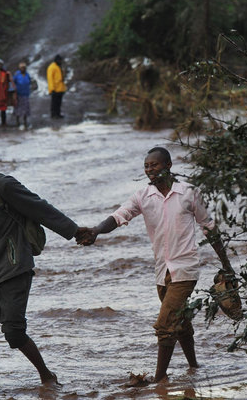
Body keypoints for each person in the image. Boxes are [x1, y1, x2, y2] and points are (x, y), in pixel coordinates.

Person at [80, 147, 237, 383]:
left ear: (168, 165)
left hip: (185, 269)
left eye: (154, 165)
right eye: (146, 166)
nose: (149, 170)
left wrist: (227, 265)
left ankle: (159, 380)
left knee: (165, 325)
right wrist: (96, 231)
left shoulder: (189, 193)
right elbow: (119, 215)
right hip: (161, 272)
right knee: (180, 322)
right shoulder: (143, 196)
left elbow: (209, 228)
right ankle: (194, 368)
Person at [0, 140, 93, 388]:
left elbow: (39, 208)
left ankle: (47, 376)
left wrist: (74, 230)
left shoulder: (2, 184)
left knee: (14, 333)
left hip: (14, 271)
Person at [13, 62, 33, 130]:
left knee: (25, 109)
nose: (23, 69)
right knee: (18, 108)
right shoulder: (17, 74)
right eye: (21, 68)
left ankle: (25, 121)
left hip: (26, 94)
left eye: (24, 68)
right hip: (18, 94)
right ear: (19, 68)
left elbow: (29, 82)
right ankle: (17, 121)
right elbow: (13, 82)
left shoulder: (27, 75)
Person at [47, 55, 66, 119]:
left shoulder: (58, 66)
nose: (60, 61)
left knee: (59, 102)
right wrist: (52, 89)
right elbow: (50, 79)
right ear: (56, 60)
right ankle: (53, 114)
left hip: (60, 88)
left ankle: (58, 113)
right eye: (59, 60)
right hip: (55, 88)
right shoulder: (52, 67)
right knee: (54, 103)